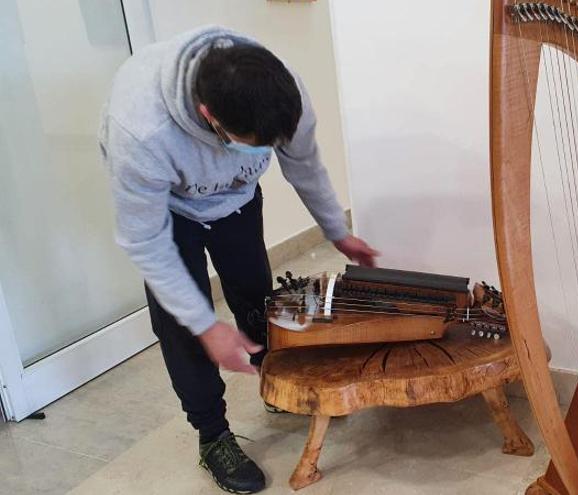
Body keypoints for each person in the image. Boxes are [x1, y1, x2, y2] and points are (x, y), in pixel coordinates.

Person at [99, 26, 377, 494]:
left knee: (256, 297)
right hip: (169, 213)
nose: (263, 151)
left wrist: (337, 231)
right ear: (209, 116)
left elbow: (304, 164)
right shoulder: (141, 132)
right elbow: (144, 241)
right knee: (183, 325)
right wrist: (207, 326)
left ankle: (276, 388)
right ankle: (212, 436)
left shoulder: (280, 91)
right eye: (252, 143)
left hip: (237, 201)